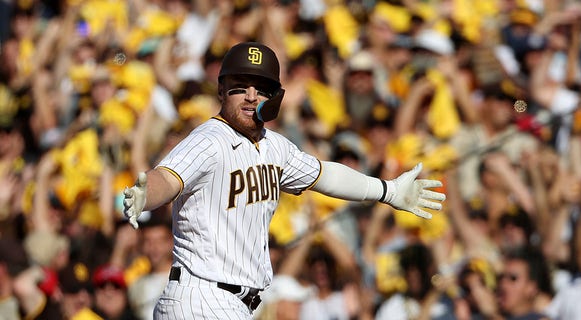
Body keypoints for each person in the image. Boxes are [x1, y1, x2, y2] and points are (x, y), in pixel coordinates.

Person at [122, 41, 446, 319]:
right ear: (221, 90)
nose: (250, 96)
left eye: (261, 89)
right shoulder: (210, 139)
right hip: (201, 299)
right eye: (239, 87)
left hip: (234, 305)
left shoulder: (275, 146)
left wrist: (386, 190)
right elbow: (167, 177)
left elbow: (325, 174)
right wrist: (146, 194)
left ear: (275, 97)